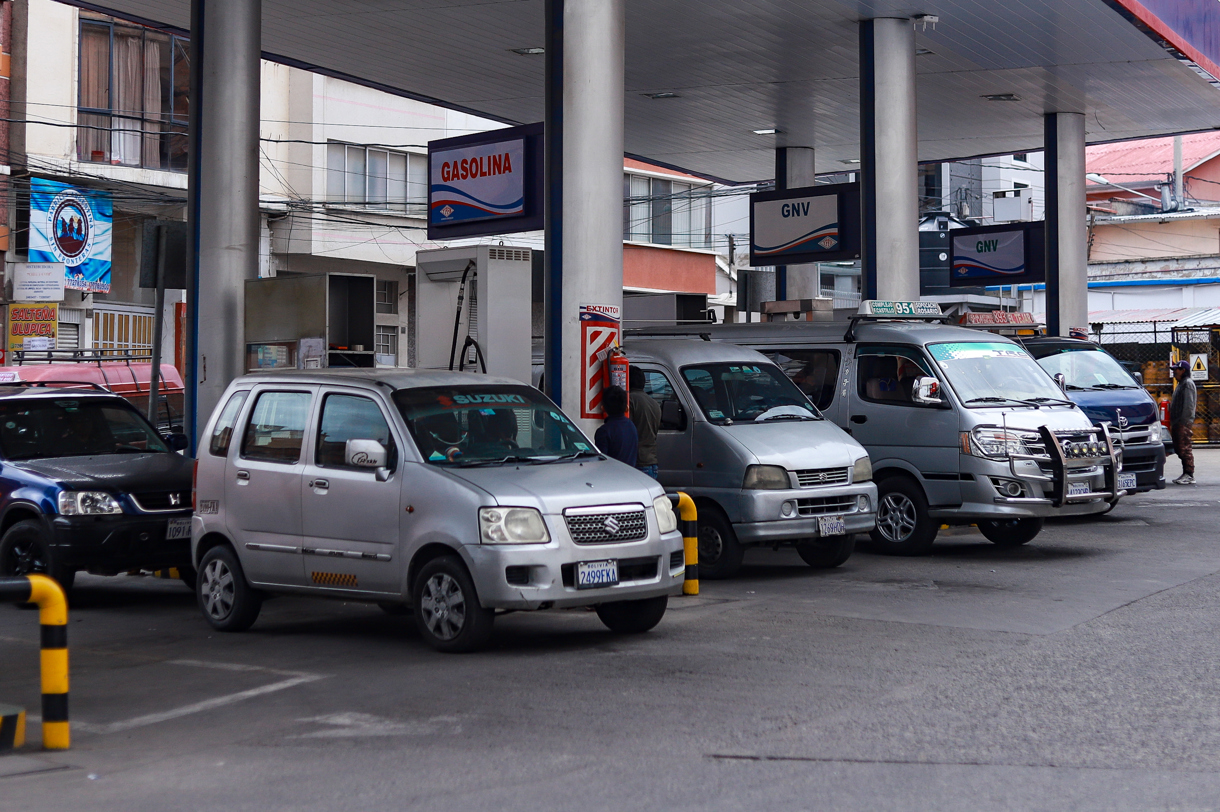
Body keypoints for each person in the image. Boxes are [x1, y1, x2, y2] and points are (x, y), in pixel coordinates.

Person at [628, 366, 661, 478]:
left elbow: (627, 431)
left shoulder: (629, 400)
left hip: (637, 462)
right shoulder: (654, 403)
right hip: (651, 461)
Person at [594, 385, 638, 467]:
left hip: (612, 477)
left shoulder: (604, 431)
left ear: (603, 407)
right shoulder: (631, 426)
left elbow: (600, 463)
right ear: (625, 406)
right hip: (630, 476)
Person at [1169, 359, 1197, 484]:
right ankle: (1186, 473)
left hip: (1182, 422)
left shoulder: (1187, 384)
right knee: (1180, 447)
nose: (1174, 372)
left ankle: (1189, 474)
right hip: (1177, 421)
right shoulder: (1181, 383)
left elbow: (1189, 405)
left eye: (1176, 369)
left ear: (1183, 370)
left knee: (1185, 448)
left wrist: (1184, 422)